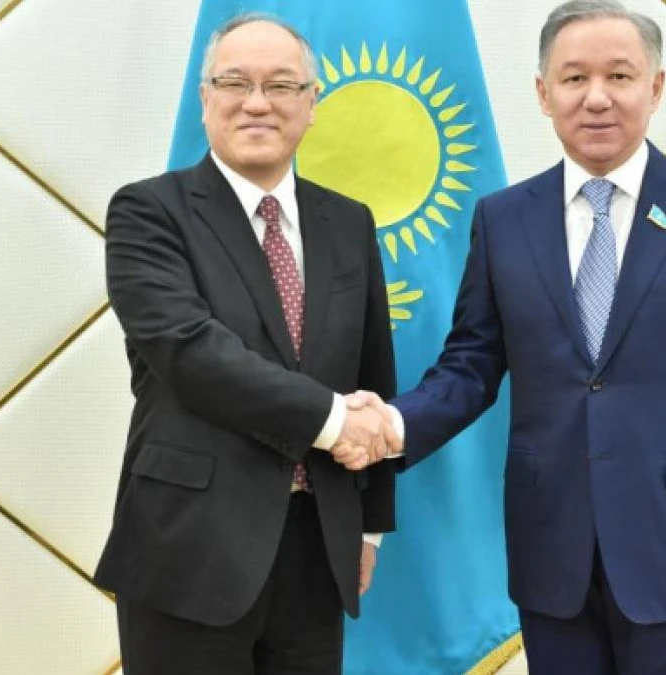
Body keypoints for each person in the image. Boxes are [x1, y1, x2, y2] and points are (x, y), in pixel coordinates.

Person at [342, 1, 666, 672]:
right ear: (543, 93)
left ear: (656, 87)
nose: (597, 98)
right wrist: (392, 426)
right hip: (553, 549)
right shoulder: (503, 219)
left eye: (620, 76)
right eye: (575, 78)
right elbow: (471, 365)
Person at [93, 14, 400, 675]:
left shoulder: (348, 222)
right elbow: (191, 353)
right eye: (235, 83)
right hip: (190, 550)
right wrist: (335, 420)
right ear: (205, 98)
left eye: (281, 85)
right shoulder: (148, 212)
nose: (257, 103)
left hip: (318, 548)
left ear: (311, 104)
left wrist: (368, 525)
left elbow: (373, 369)